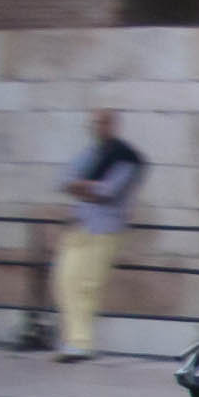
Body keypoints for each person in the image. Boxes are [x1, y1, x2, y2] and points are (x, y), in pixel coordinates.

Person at [50, 109, 146, 362]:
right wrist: (86, 188)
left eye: (102, 122)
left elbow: (108, 191)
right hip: (80, 226)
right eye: (94, 123)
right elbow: (64, 180)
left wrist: (82, 187)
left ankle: (79, 343)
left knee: (86, 286)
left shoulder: (126, 157)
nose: (97, 127)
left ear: (113, 125)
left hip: (105, 230)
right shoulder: (92, 153)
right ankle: (74, 340)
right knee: (65, 281)